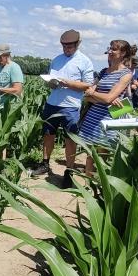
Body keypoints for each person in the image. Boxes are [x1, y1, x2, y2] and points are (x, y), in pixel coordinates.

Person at [29, 29, 95, 188]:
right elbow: (53, 80)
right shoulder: (56, 60)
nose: (67, 49)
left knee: (70, 139)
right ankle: (45, 163)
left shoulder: (85, 61)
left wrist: (67, 83)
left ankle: (69, 171)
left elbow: (87, 85)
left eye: (70, 46)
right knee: (47, 134)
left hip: (70, 106)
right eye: (64, 46)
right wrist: (51, 82)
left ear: (78, 44)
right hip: (52, 102)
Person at [78, 40, 136, 175]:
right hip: (94, 117)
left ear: (123, 53)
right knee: (90, 154)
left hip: (109, 118)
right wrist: (100, 97)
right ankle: (88, 185)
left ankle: (98, 185)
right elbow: (86, 96)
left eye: (114, 49)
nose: (110, 51)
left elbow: (108, 98)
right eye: (110, 48)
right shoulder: (104, 72)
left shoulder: (126, 74)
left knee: (102, 155)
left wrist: (95, 94)